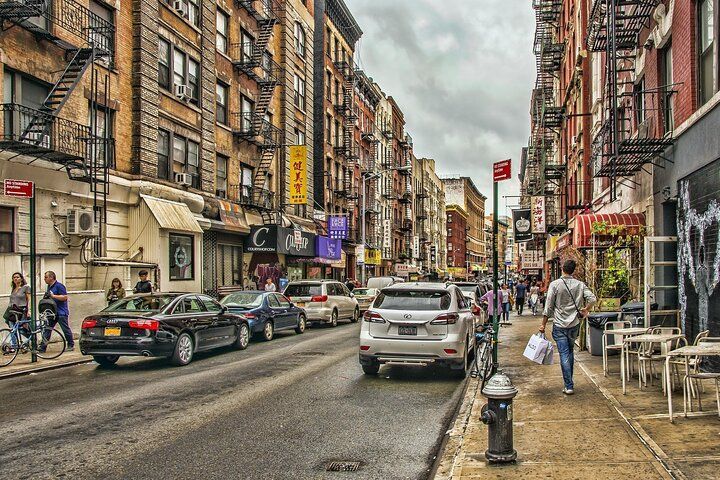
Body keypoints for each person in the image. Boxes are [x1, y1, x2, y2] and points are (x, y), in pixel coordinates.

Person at [539, 259, 597, 395]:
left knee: (564, 353)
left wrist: (543, 324)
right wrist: (586, 309)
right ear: (573, 270)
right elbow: (593, 299)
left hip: (559, 324)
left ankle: (569, 385)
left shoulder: (555, 284)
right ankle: (569, 382)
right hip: (574, 324)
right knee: (570, 351)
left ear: (562, 269)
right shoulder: (580, 284)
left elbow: (548, 307)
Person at [43, 271, 74, 351]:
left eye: (46, 277)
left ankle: (70, 344)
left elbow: (64, 297)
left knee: (65, 329)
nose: (44, 279)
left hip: (61, 312)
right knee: (47, 329)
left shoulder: (59, 286)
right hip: (52, 312)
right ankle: (43, 346)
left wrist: (53, 296)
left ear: (51, 277)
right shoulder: (49, 287)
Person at [5, 272, 31, 348]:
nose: (15, 279)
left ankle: (32, 338)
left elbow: (29, 299)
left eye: (17, 277)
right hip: (12, 310)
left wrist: (29, 310)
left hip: (21, 310)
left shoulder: (26, 287)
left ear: (21, 278)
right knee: (12, 329)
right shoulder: (14, 288)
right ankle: (14, 346)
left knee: (21, 328)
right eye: (14, 277)